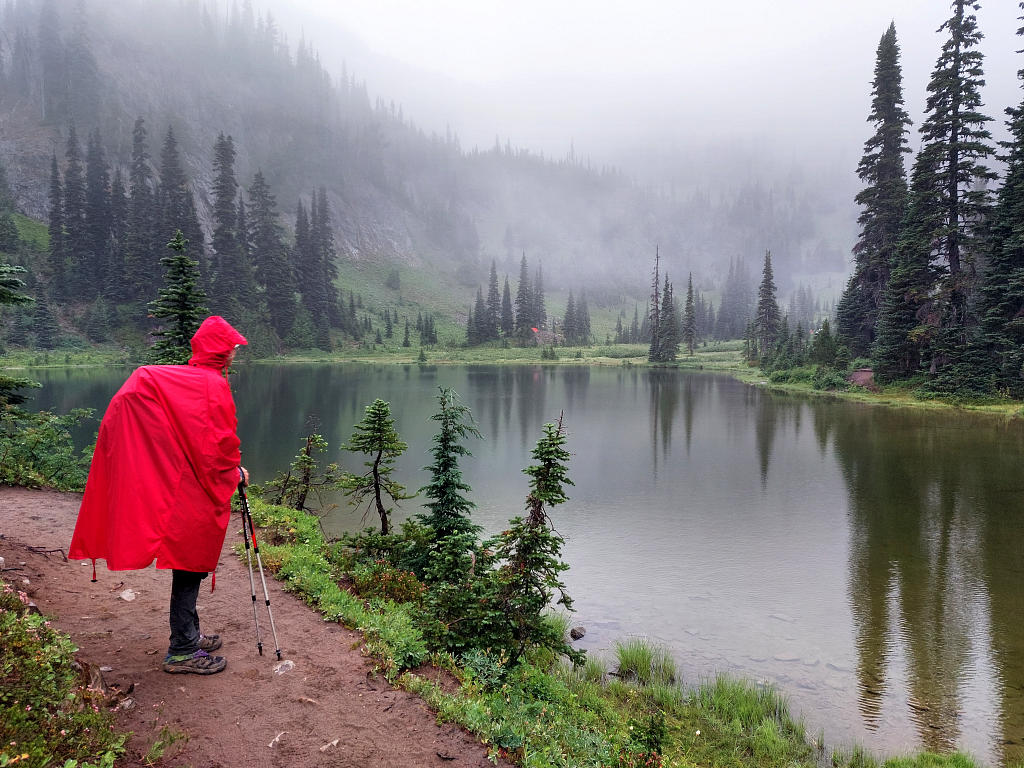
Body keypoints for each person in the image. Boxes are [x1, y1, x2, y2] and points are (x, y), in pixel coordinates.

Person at [70, 316, 249, 675]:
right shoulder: (213, 386)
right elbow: (219, 447)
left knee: (189, 566)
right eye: (231, 347)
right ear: (221, 351)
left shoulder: (183, 379)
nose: (234, 353)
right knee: (190, 565)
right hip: (193, 495)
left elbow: (147, 391)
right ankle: (182, 650)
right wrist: (235, 472)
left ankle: (189, 634)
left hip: (183, 489)